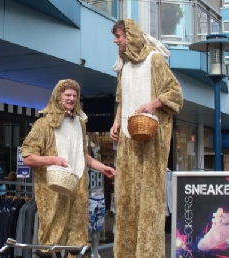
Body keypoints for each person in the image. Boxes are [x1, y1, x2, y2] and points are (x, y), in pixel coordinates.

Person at [110, 19, 183, 257]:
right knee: (126, 196)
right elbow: (121, 99)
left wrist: (153, 104)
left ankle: (148, 252)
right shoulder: (124, 66)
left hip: (151, 135)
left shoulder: (154, 59)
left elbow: (175, 92)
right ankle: (126, 251)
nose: (116, 41)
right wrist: (116, 122)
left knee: (150, 196)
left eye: (119, 36)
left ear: (130, 36)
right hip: (128, 136)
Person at [21, 79, 115, 257]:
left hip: (77, 185)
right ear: (58, 96)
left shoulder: (79, 123)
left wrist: (102, 167)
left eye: (75, 96)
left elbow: (81, 155)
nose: (72, 99)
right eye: (68, 95)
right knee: (52, 236)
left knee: (78, 237)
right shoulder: (44, 124)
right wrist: (53, 159)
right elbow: (28, 157)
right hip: (53, 188)